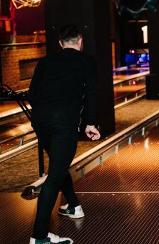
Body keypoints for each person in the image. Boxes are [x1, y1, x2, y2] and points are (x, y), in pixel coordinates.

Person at [28, 25, 101, 244]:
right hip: (64, 124)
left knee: (58, 165)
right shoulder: (86, 61)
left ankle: (73, 205)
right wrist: (90, 123)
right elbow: (91, 94)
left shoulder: (45, 62)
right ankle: (39, 237)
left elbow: (33, 94)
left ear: (60, 43)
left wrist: (44, 115)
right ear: (80, 41)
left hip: (41, 124)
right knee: (54, 176)